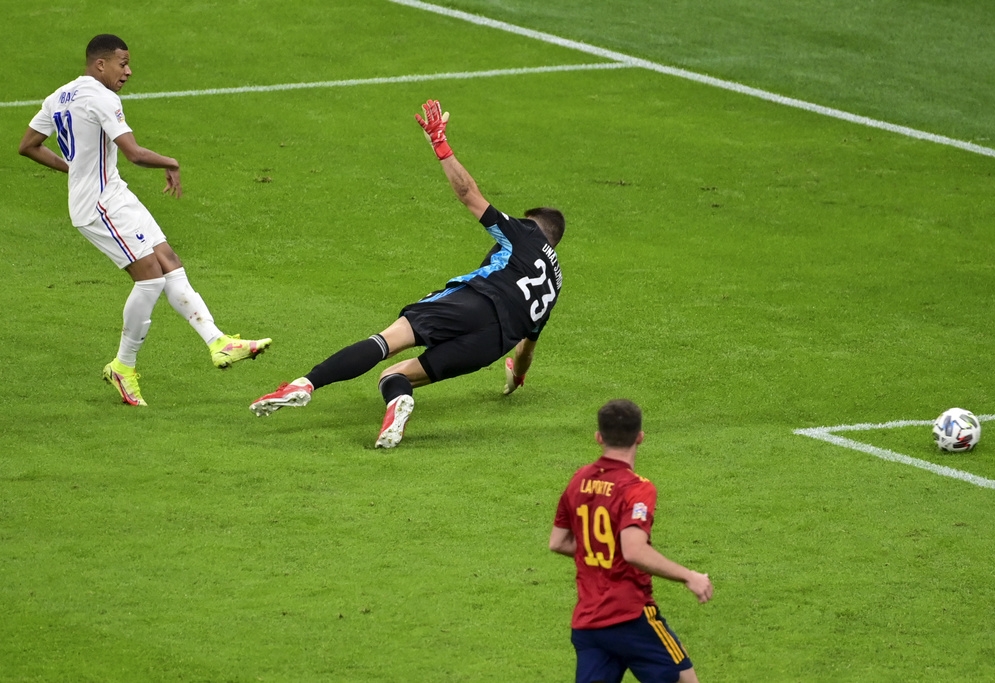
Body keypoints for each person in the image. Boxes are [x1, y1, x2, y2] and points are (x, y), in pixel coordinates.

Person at [250, 99, 564, 449]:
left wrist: (441, 146)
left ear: (533, 226)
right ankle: (398, 403)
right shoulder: (555, 282)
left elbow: (469, 195)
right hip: (490, 345)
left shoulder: (525, 233)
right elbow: (527, 350)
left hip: (473, 303)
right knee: (395, 376)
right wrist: (516, 377)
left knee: (386, 342)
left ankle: (304, 384)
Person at [18, 34, 271, 406]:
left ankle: (219, 342)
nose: (129, 71)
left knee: (168, 260)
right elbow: (134, 153)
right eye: (123, 63)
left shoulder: (59, 96)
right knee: (150, 278)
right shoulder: (103, 98)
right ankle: (123, 366)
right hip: (101, 205)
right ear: (100, 64)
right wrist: (171, 162)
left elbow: (28, 145)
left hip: (114, 195)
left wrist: (72, 169)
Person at [550, 400, 713, 683]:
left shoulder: (578, 480)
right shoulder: (637, 488)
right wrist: (689, 576)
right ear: (640, 436)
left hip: (589, 624)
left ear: (598, 437)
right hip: (631, 616)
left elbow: (558, 542)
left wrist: (599, 550)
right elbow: (634, 550)